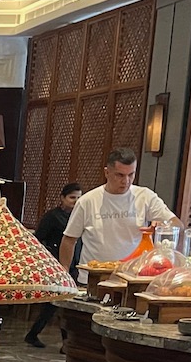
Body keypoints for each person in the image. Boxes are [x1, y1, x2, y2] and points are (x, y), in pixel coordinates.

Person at [58, 147, 177, 270]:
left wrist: (164, 226)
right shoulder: (87, 201)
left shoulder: (145, 196)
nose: (126, 181)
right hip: (93, 274)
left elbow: (177, 224)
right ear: (107, 172)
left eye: (131, 175)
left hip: (133, 273)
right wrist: (65, 270)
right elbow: (69, 239)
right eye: (120, 175)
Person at [25, 182, 82, 348]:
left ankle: (39, 335)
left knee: (61, 303)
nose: (75, 201)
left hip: (74, 264)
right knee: (57, 303)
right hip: (56, 265)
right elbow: (38, 239)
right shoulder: (52, 217)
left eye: (79, 198)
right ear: (62, 198)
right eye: (72, 197)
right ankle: (65, 342)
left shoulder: (78, 217)